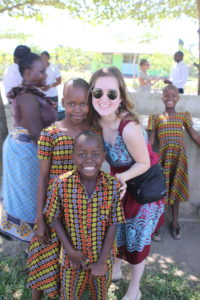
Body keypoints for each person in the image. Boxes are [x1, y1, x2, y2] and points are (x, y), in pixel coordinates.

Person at [87, 66, 164, 300]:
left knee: (137, 238)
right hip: (122, 183)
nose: (104, 99)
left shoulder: (128, 127)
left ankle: (135, 289)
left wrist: (120, 178)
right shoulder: (96, 123)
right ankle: (117, 269)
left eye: (111, 94)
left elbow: (143, 162)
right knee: (117, 231)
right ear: (91, 94)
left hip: (143, 186)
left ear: (120, 97)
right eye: (98, 92)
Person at [27, 78, 90, 300]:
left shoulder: (92, 134)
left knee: (68, 263)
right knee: (42, 256)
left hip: (78, 212)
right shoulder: (50, 134)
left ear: (89, 104)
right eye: (71, 103)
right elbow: (43, 177)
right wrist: (40, 219)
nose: (77, 109)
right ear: (62, 102)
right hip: (52, 209)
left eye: (83, 103)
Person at [43, 131, 125, 300]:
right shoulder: (61, 184)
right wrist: (70, 251)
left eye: (95, 154)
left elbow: (114, 222)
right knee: (69, 295)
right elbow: (54, 217)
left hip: (102, 258)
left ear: (103, 156)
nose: (88, 159)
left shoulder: (113, 186)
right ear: (73, 156)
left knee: (100, 295)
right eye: (81, 154)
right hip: (72, 259)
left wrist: (102, 262)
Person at [0, 52, 57, 242]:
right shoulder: (27, 96)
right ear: (26, 72)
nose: (45, 75)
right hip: (27, 150)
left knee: (29, 192)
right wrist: (53, 154)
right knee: (31, 193)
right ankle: (32, 238)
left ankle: (31, 237)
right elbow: (36, 133)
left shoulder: (29, 93)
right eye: (40, 72)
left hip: (24, 147)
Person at [147, 84, 200, 240]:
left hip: (178, 160)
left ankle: (175, 223)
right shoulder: (155, 117)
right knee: (159, 193)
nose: (170, 98)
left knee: (175, 192)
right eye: (166, 95)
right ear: (162, 97)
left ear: (178, 98)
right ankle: (156, 225)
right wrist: (143, 155)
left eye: (173, 96)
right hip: (162, 161)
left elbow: (195, 136)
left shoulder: (184, 116)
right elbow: (150, 141)